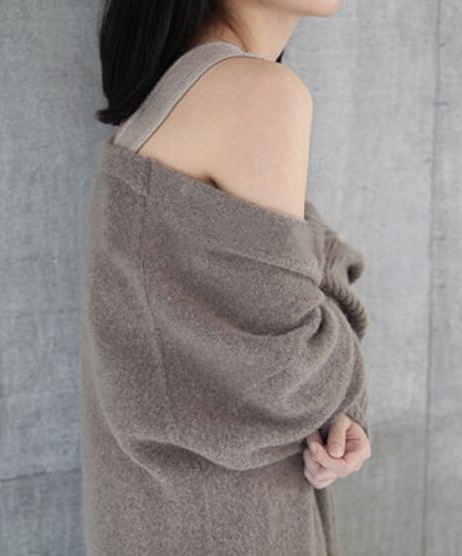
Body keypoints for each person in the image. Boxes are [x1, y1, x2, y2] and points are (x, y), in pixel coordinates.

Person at [80, 1, 372, 554]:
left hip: (161, 519)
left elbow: (270, 349)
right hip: (227, 524)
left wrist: (331, 402)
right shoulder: (256, 93)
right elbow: (288, 377)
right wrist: (342, 392)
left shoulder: (173, 88)